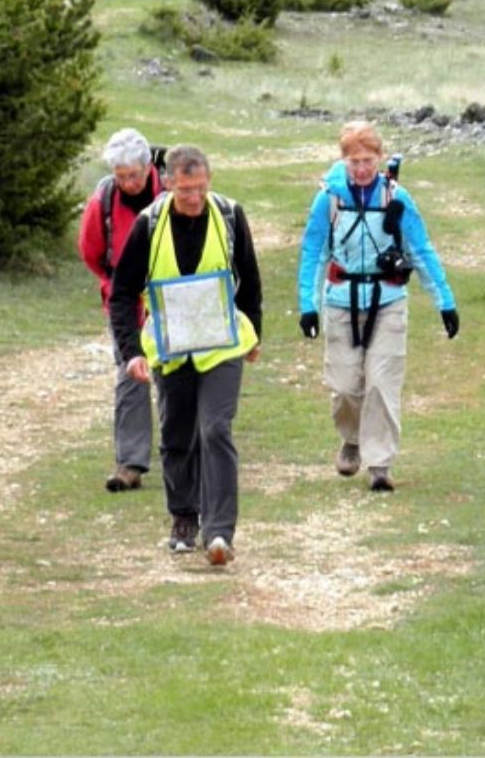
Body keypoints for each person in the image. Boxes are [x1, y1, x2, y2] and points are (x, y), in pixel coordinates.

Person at [107, 145, 262, 566]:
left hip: (222, 344)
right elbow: (122, 293)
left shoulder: (230, 215)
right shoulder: (149, 224)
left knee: (215, 429)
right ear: (168, 184)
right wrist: (131, 352)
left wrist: (254, 334)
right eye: (185, 189)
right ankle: (183, 518)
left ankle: (219, 532)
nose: (194, 197)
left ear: (209, 181)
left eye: (200, 188)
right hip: (171, 347)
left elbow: (249, 280)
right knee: (177, 434)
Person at [295, 121, 458, 492]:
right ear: (344, 160)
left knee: (382, 384)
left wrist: (445, 302)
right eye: (354, 161)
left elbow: (421, 250)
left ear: (380, 158)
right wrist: (308, 304)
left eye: (368, 160)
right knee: (345, 387)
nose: (361, 169)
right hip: (341, 300)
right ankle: (351, 439)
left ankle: (380, 464)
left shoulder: (397, 198)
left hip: (388, 301)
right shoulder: (329, 200)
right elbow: (313, 251)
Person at [77, 129, 165, 494]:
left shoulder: (171, 191)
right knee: (131, 372)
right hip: (125, 302)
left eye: (134, 175)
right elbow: (90, 251)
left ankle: (185, 452)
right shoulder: (104, 200)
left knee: (174, 374)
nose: (128, 183)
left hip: (170, 298)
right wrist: (118, 285)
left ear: (148, 167)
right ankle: (130, 463)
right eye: (121, 176)